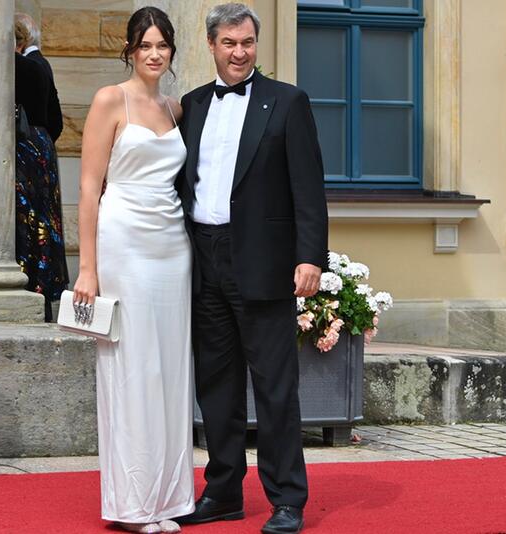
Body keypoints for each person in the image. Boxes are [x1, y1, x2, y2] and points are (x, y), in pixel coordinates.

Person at [173, 4, 328, 534]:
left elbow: (308, 189)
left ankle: (288, 500)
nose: (239, 52)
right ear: (212, 45)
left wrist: (310, 258)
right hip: (203, 257)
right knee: (215, 384)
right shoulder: (191, 106)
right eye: (229, 43)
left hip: (262, 262)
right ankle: (222, 493)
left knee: (275, 387)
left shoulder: (287, 102)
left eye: (248, 42)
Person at [70, 7, 193, 534]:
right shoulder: (108, 100)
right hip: (124, 244)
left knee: (169, 369)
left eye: (163, 44)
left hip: (173, 247)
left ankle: (168, 499)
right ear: (130, 49)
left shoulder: (174, 108)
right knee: (132, 368)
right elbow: (87, 189)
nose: (154, 53)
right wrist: (87, 269)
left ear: (171, 51)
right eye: (145, 44)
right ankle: (132, 504)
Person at [14, 19, 68, 321]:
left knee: (27, 221)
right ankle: (44, 287)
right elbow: (56, 119)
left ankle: (30, 283)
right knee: (43, 221)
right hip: (42, 147)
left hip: (24, 149)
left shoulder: (18, 67)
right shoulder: (40, 65)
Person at [14, 13, 64, 143]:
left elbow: (53, 116)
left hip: (28, 139)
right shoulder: (37, 63)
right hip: (39, 139)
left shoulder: (31, 64)